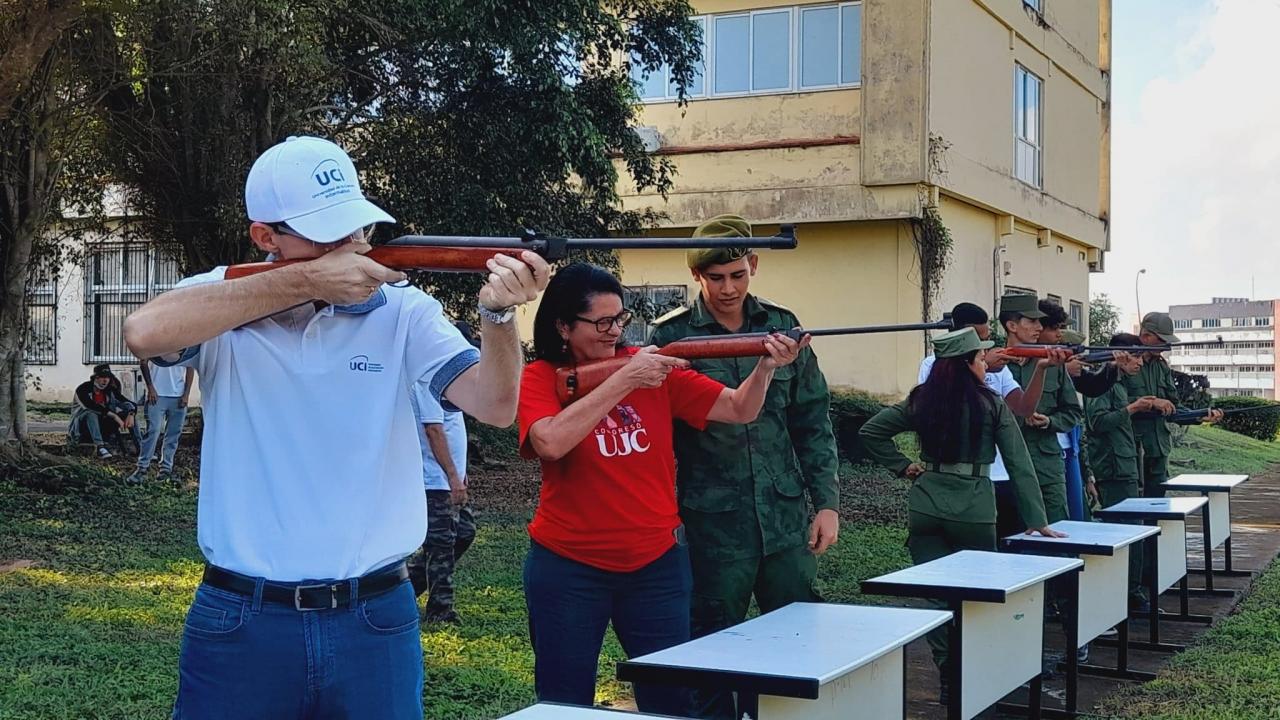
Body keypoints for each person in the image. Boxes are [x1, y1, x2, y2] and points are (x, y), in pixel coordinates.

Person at [122, 135, 549, 719]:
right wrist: (304, 282)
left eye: (357, 228)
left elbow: (497, 406)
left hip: (375, 613)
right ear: (266, 238)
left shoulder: (403, 309)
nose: (353, 245)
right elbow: (143, 333)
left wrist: (499, 317)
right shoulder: (219, 296)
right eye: (328, 234)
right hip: (240, 611)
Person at [518, 262, 805, 715]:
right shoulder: (542, 376)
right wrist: (625, 379)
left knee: (672, 699)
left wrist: (766, 367)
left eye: (620, 319)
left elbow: (737, 409)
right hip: (568, 566)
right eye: (602, 322)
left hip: (656, 565)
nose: (615, 331)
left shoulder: (652, 369)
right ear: (563, 326)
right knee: (563, 701)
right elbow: (550, 441)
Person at [647, 214, 838, 720]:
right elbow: (653, 433)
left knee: (799, 636)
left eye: (737, 274)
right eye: (715, 278)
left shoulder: (781, 326)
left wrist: (827, 504)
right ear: (697, 277)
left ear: (752, 264)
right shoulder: (672, 337)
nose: (727, 288)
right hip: (711, 521)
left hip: (782, 517)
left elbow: (812, 421)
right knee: (710, 647)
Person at [860, 327, 1063, 702]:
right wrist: (1037, 519)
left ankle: (948, 670)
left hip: (925, 506)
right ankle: (977, 673)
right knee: (977, 593)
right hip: (973, 507)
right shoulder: (991, 404)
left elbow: (871, 431)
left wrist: (904, 467)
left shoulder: (921, 401)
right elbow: (1019, 463)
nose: (986, 365)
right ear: (968, 363)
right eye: (981, 359)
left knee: (937, 594)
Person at [918, 301, 1067, 539]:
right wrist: (982, 368)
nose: (985, 346)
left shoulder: (999, 369)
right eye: (979, 338)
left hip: (1002, 477)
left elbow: (1024, 408)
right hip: (964, 480)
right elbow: (944, 411)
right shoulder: (932, 365)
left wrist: (1041, 368)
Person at [1085, 333, 1154, 612]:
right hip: (1112, 468)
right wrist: (1133, 408)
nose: (1139, 362)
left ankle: (1132, 591)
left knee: (1133, 532)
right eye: (1135, 357)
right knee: (1123, 533)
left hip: (1126, 466)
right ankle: (1124, 594)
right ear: (1120, 356)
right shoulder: (1103, 383)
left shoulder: (1121, 384)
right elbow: (1098, 422)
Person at [1000, 294, 1082, 525]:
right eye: (1032, 321)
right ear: (1012, 326)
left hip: (1046, 466)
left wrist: (1049, 421)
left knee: (1056, 533)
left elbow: (1073, 412)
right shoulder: (992, 365)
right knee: (1010, 538)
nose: (1039, 327)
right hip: (1004, 468)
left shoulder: (1052, 364)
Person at [406, 366, 475, 625]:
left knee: (464, 532)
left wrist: (460, 472)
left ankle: (406, 586)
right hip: (435, 481)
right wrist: (452, 475)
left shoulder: (449, 386)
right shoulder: (427, 381)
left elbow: (453, 430)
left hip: (450, 479)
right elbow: (433, 430)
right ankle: (441, 611)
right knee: (441, 544)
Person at [1128, 312, 1183, 497]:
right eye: (1161, 340)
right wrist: (1151, 403)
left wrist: (1201, 415)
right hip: (1132, 449)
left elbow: (1174, 404)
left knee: (1158, 506)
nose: (1165, 347)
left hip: (1158, 449)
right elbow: (1113, 402)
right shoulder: (1124, 362)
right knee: (1132, 509)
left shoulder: (1161, 366)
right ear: (1146, 336)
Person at [126, 359, 195, 484]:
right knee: (153, 431)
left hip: (178, 395)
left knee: (173, 434)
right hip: (157, 395)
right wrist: (150, 387)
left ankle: (166, 469)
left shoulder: (183, 345)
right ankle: (142, 468)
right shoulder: (155, 341)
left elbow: (190, 368)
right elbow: (143, 363)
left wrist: (186, 394)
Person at [71, 365, 141, 458]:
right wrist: (115, 416)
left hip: (104, 427)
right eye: (102, 377)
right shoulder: (83, 389)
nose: (105, 380)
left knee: (129, 415)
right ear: (95, 378)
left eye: (108, 377)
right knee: (90, 413)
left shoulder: (110, 391)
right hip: (82, 429)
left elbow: (127, 402)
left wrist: (131, 413)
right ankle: (100, 447)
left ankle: (141, 448)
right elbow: (90, 406)